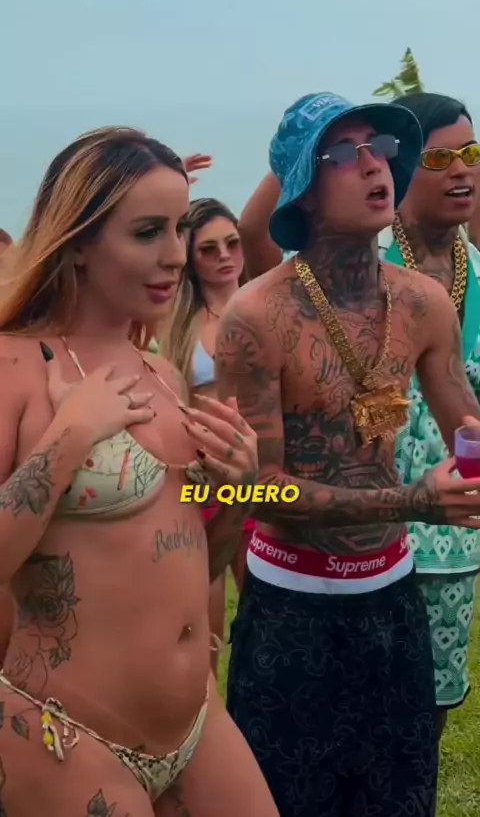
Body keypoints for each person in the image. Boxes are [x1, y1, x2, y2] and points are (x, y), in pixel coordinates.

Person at [0, 126, 279, 817]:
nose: (176, 255)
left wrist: (240, 489)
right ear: (78, 241)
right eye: (148, 232)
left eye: (178, 228)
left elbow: (200, 556)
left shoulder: (159, 372)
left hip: (194, 721)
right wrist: (69, 437)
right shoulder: (15, 367)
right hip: (64, 733)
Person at [215, 91, 480, 817]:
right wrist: (415, 501)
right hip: (291, 610)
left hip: (393, 603)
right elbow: (252, 490)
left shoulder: (423, 303)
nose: (373, 166)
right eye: (344, 153)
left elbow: (468, 430)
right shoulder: (256, 317)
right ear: (303, 186)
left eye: (381, 148)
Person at [378, 92, 480, 735]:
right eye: (440, 158)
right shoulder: (360, 273)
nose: (461, 169)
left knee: (428, 721)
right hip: (367, 535)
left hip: (456, 544)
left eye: (470, 152)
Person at [161, 198, 252, 674]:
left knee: (263, 621)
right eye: (209, 249)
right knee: (204, 634)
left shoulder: (266, 307)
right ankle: (204, 714)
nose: (224, 256)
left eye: (232, 243)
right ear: (190, 259)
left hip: (260, 481)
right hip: (201, 483)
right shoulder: (177, 320)